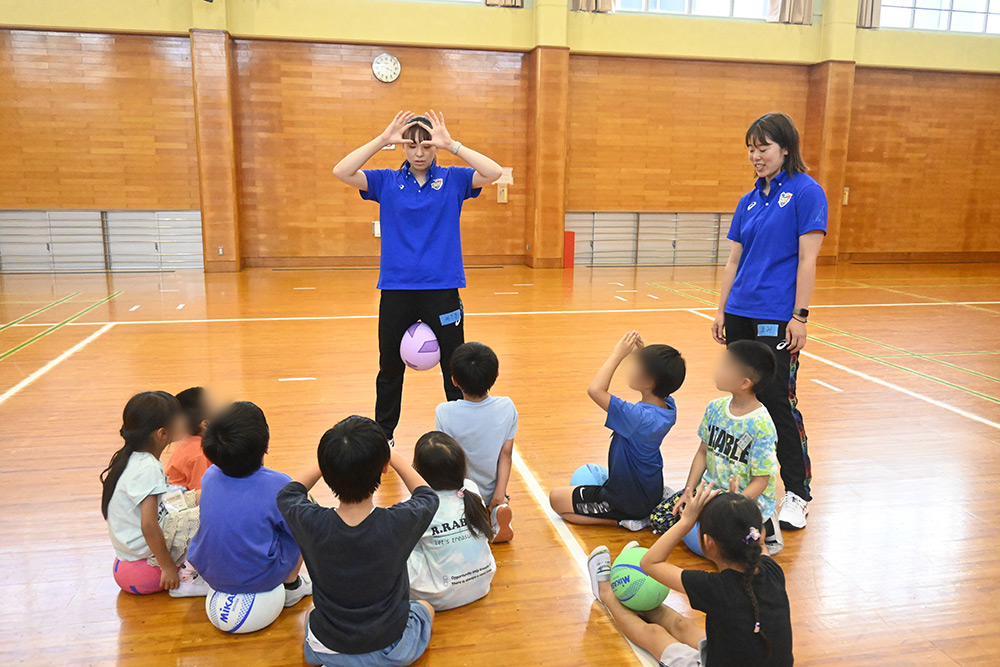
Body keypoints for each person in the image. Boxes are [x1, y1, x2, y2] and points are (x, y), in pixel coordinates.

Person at [332, 110, 504, 447]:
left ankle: (460, 435)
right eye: (411, 146)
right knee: (390, 368)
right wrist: (383, 140)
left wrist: (453, 144)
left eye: (426, 145)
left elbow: (494, 172)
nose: (420, 152)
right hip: (397, 289)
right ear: (403, 149)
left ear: (435, 147)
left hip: (442, 289)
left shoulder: (453, 180)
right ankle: (385, 437)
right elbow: (342, 171)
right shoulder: (386, 181)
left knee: (454, 369)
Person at [712, 112, 827, 531]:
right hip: (740, 313)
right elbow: (733, 260)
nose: (755, 156)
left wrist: (800, 315)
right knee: (740, 401)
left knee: (778, 403)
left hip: (776, 317)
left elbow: (808, 259)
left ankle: (797, 492)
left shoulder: (806, 193)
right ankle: (741, 484)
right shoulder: (749, 199)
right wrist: (721, 308)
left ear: (785, 148)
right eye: (751, 148)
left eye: (763, 148)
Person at [277, 416, 439, 667]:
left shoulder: (310, 521)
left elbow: (288, 493)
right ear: (384, 468)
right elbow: (427, 496)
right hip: (392, 647)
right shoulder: (399, 523)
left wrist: (327, 462)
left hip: (327, 646)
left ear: (327, 473)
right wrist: (392, 456)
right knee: (425, 608)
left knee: (310, 614)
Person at [587, 483, 793, 667]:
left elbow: (650, 563)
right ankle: (636, 594)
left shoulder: (715, 588)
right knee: (683, 626)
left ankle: (605, 591)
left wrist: (686, 521)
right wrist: (735, 511)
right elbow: (759, 540)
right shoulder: (772, 570)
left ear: (708, 543)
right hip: (738, 653)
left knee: (655, 634)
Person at [549, 331, 685, 529]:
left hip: (626, 499)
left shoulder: (637, 418)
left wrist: (617, 355)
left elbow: (595, 390)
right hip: (649, 490)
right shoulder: (668, 408)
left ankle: (626, 520)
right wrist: (643, 353)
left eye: (637, 366)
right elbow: (659, 378)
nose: (630, 369)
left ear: (647, 381)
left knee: (556, 500)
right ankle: (639, 513)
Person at [188, 401, 311, 612]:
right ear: (266, 445)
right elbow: (303, 529)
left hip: (210, 574)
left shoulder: (209, 476)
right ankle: (291, 586)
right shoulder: (279, 484)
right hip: (260, 580)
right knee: (304, 514)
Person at [673, 340, 783, 555]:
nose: (718, 371)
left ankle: (766, 528)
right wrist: (688, 492)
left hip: (741, 501)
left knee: (713, 544)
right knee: (670, 516)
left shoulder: (761, 426)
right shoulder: (715, 408)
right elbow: (702, 453)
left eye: (726, 367)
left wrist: (734, 504)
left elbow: (761, 481)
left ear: (744, 383)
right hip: (713, 495)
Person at [101, 391, 207, 597]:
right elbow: (148, 525)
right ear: (162, 433)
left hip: (133, 548)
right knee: (211, 515)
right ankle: (188, 578)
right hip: (145, 556)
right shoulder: (147, 467)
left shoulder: (133, 456)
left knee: (202, 496)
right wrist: (167, 568)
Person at [435, 342, 517, 542]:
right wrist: (499, 493)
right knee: (496, 500)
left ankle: (472, 519)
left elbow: (449, 461)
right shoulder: (507, 407)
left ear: (454, 380)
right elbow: (506, 455)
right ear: (496, 375)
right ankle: (497, 508)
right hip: (492, 491)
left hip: (463, 495)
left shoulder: (444, 412)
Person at [407, 431, 496, 611]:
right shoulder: (470, 489)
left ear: (419, 471)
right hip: (482, 584)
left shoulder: (415, 507)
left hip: (436, 597)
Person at [164, 386, 216, 491]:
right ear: (205, 424)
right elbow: (201, 494)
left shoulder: (191, 443)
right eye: (216, 407)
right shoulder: (200, 454)